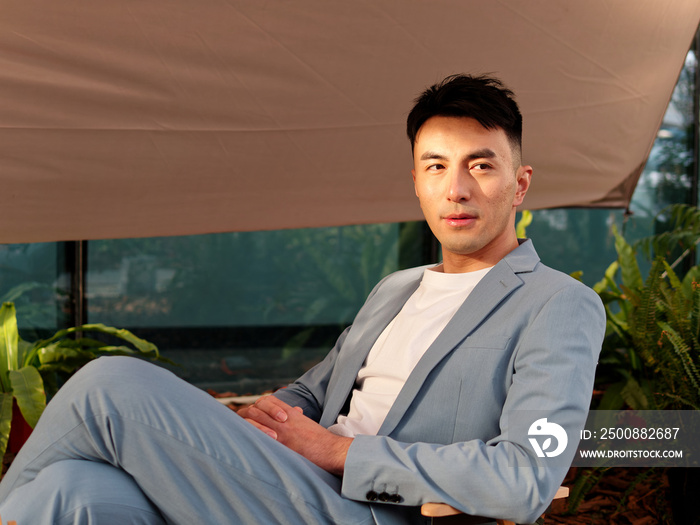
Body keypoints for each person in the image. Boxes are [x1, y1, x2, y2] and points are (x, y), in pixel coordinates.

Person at [0, 74, 605, 525]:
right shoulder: (397, 289)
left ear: (520, 183)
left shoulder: (558, 304)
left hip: (369, 508)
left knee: (110, 385)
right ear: (416, 182)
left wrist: (339, 452)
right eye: (436, 166)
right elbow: (316, 391)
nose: (457, 188)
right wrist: (261, 423)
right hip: (291, 481)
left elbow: (526, 477)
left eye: (481, 165)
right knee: (69, 493)